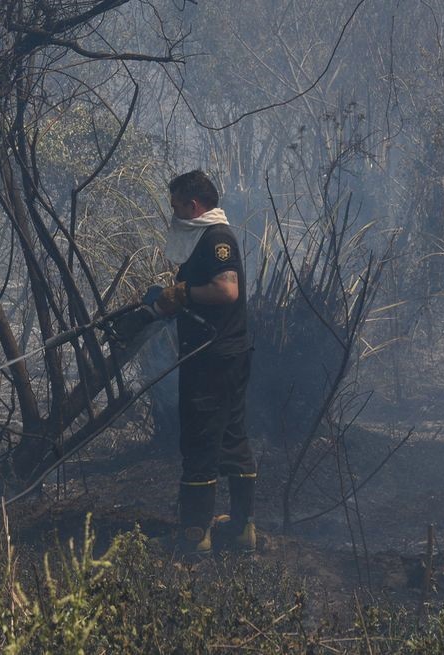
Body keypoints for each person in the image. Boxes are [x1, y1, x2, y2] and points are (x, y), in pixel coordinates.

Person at [147, 170, 257, 555]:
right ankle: (243, 529)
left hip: (212, 359)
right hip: (225, 354)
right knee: (231, 437)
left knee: (200, 440)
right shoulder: (207, 237)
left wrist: (183, 293)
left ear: (193, 206)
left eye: (176, 206)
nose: (173, 213)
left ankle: (194, 536)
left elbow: (226, 289)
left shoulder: (216, 238)